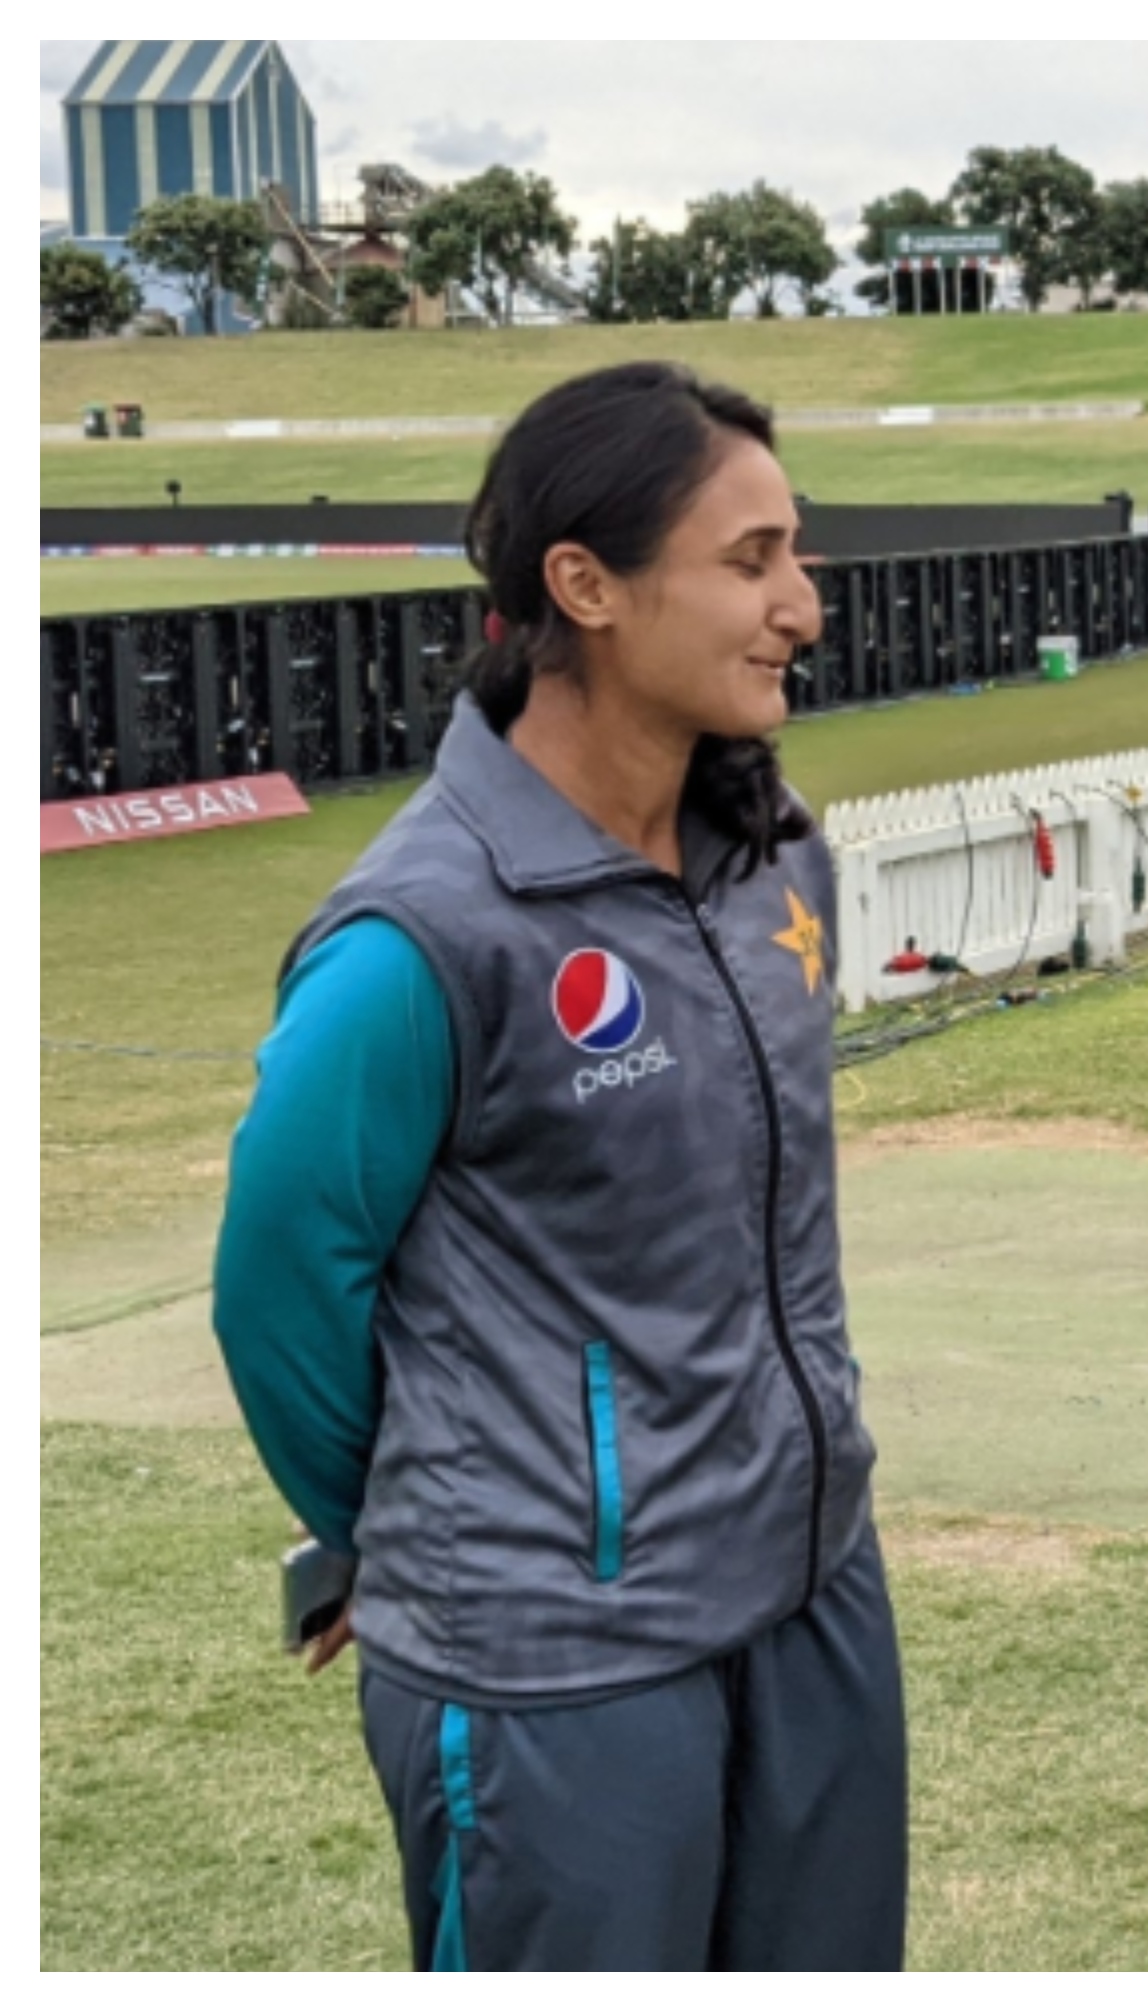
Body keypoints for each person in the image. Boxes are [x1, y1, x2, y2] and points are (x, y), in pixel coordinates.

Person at [211, 361, 906, 1971]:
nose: (800, 604)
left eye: (796, 555)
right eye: (750, 563)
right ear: (582, 587)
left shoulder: (771, 854)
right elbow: (277, 1282)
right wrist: (423, 1526)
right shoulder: (424, 936)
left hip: (809, 1593)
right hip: (557, 1664)